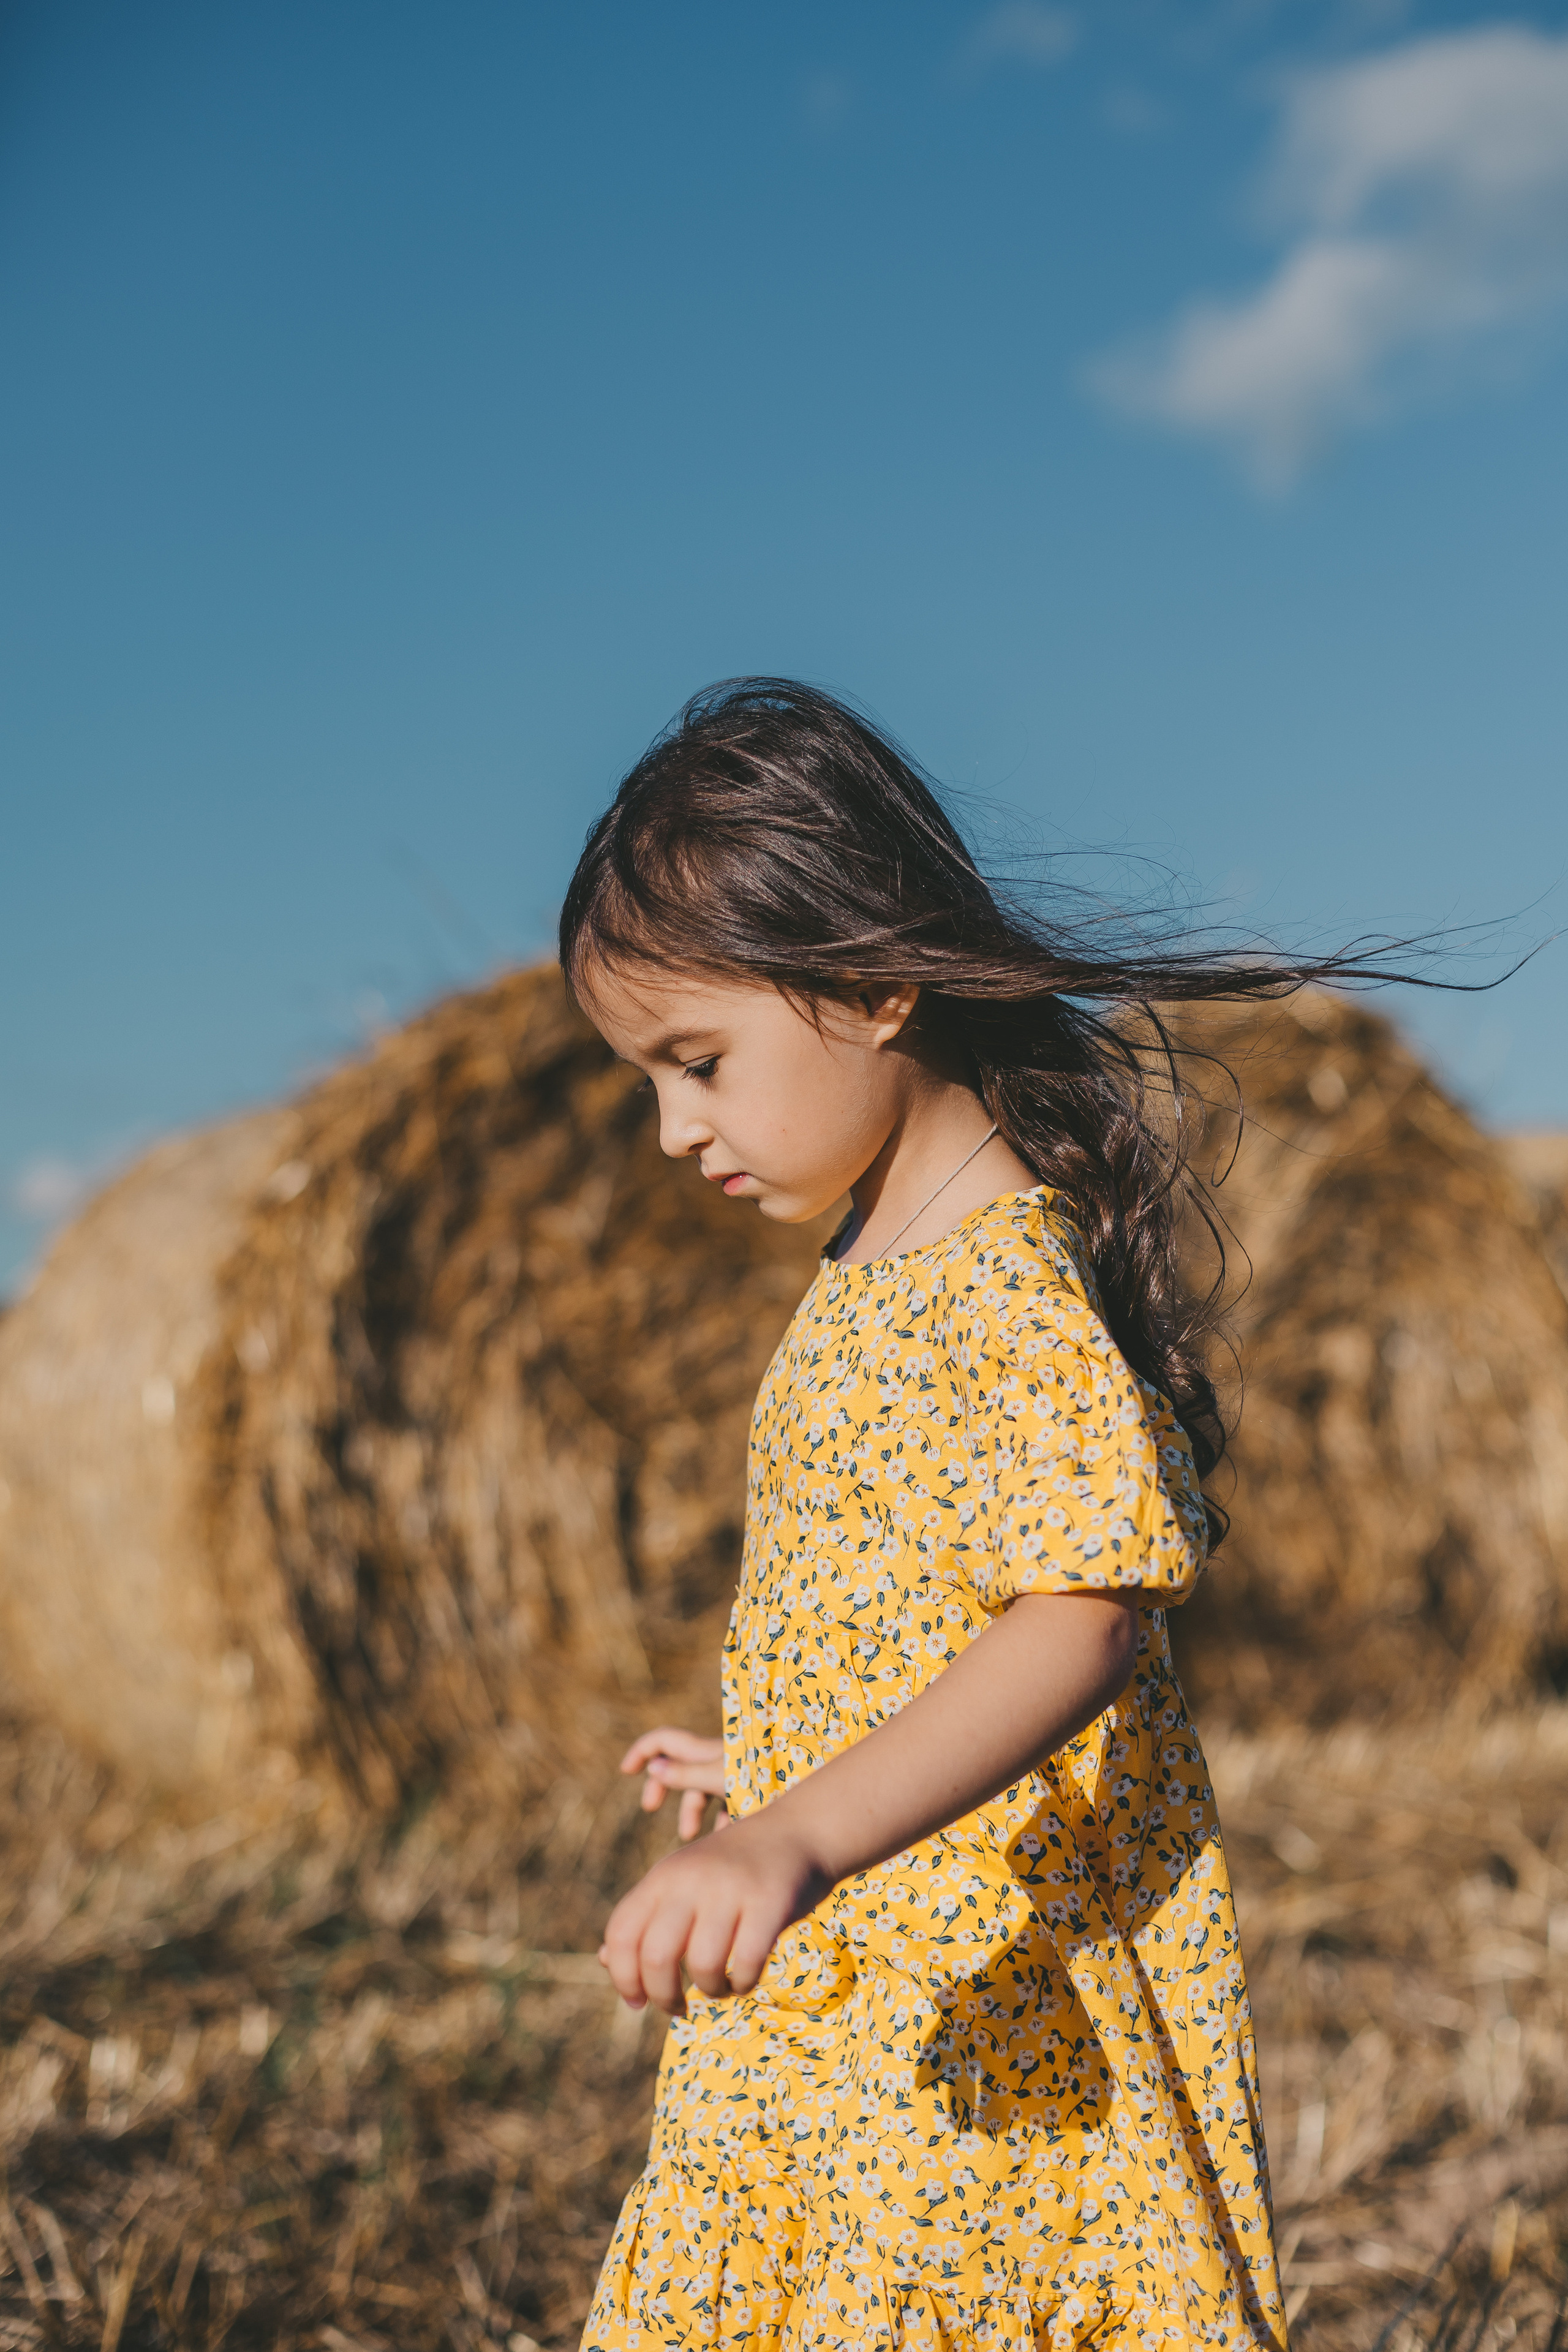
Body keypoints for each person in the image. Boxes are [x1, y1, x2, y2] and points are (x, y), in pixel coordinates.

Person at [556, 678, 1382, 2352]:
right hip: (882, 1960)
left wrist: (795, 1834)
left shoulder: (1000, 1281)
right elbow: (926, 1595)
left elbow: (1079, 1618)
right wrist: (781, 1746)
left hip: (989, 1996)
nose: (669, 1129)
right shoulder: (867, 1267)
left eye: (696, 1062)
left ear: (870, 984)